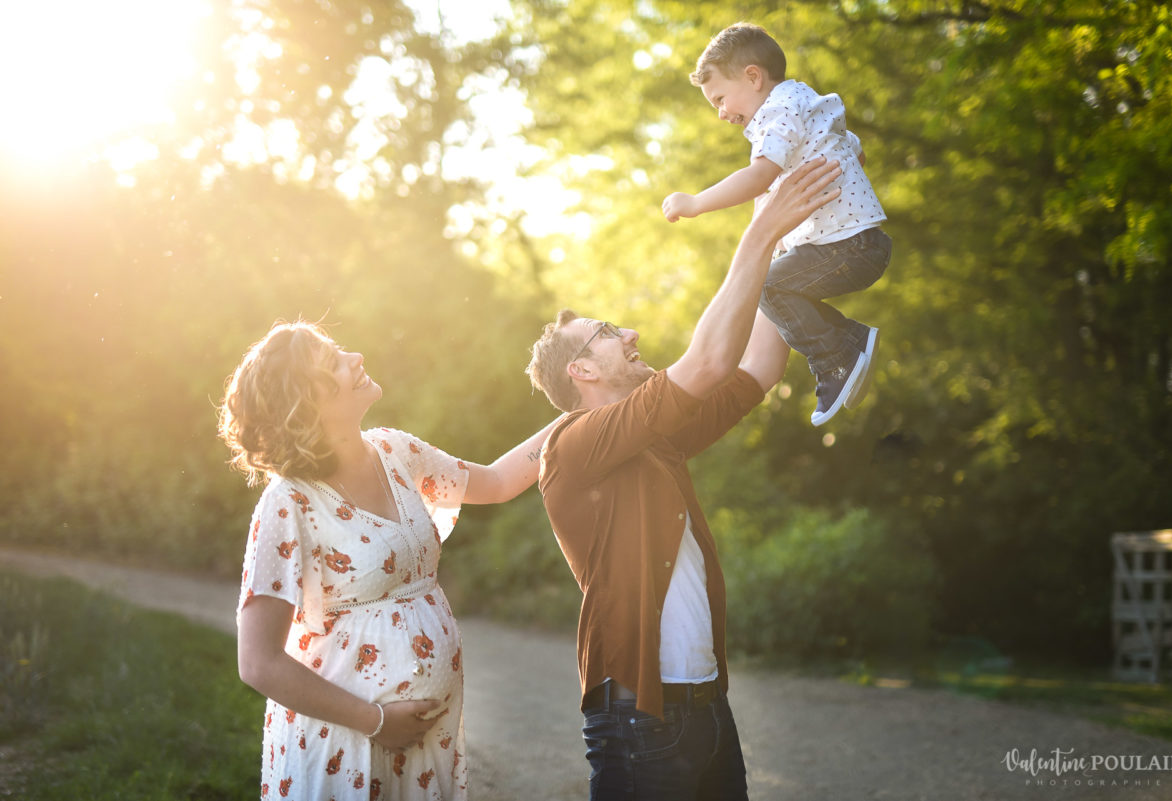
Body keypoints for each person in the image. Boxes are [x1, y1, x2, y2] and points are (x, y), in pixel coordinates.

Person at [526, 158, 842, 800]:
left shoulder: (654, 441)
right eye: (609, 332)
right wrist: (757, 235)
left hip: (706, 705)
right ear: (582, 371)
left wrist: (782, 243)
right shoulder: (572, 447)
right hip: (642, 714)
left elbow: (755, 367)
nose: (631, 333)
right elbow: (707, 360)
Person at [217, 321, 555, 801]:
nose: (354, 358)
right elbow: (258, 662)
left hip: (422, 745)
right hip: (344, 744)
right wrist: (375, 722)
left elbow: (498, 482)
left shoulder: (398, 451)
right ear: (303, 402)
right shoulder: (288, 503)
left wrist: (578, 415)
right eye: (332, 362)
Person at [662, 21, 893, 426]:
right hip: (861, 244)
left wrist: (696, 202)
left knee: (766, 286)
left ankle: (839, 354)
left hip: (847, 249)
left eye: (719, 98)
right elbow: (855, 151)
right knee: (775, 285)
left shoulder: (778, 110)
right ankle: (847, 344)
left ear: (753, 77)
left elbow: (759, 177)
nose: (720, 114)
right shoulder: (804, 102)